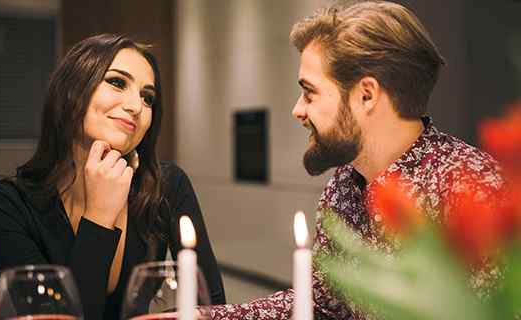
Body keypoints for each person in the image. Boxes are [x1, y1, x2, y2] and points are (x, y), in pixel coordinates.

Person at [205, 1, 504, 319]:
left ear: (366, 95)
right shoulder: (345, 184)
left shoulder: (474, 191)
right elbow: (322, 305)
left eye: (309, 93)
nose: (298, 110)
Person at [0, 34, 225, 320]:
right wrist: (99, 216)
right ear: (70, 91)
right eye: (117, 82)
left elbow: (214, 306)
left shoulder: (166, 185)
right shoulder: (5, 203)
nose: (136, 106)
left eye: (148, 97)